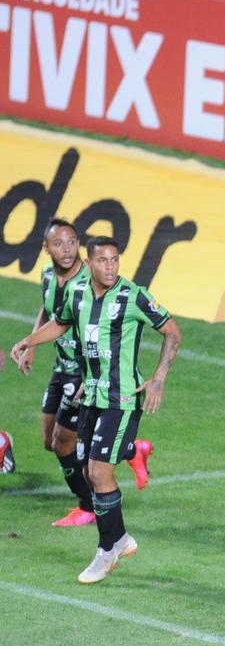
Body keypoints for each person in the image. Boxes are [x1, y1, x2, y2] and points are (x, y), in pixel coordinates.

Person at [10, 236, 182, 584]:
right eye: (103, 261)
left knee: (100, 472)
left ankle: (107, 550)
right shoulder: (78, 294)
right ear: (89, 264)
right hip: (90, 398)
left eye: (115, 260)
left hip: (121, 399)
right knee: (89, 471)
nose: (110, 267)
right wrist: (29, 340)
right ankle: (118, 538)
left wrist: (159, 377)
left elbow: (172, 332)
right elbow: (61, 322)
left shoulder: (133, 295)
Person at [14, 219, 154, 528]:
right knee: (50, 442)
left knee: (65, 443)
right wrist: (32, 344)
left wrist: (88, 378)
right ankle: (132, 449)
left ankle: (88, 506)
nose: (66, 250)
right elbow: (51, 310)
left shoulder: (88, 281)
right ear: (45, 247)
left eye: (71, 242)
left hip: (84, 372)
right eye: (58, 243)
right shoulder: (49, 276)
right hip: (60, 367)